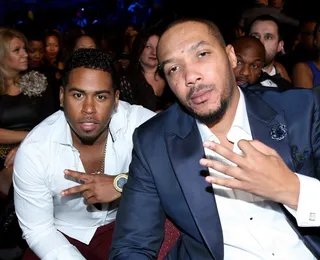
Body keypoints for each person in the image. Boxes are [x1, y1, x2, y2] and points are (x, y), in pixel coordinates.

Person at [109, 18, 320, 259]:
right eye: (173, 68)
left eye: (202, 54)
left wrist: (291, 189)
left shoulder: (302, 109)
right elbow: (132, 247)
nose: (191, 76)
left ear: (231, 57)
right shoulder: (154, 143)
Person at [13, 48, 155, 260]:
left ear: (116, 99)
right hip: (61, 235)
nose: (89, 108)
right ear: (62, 96)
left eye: (100, 96)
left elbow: (182, 167)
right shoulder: (35, 150)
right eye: (78, 95)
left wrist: (123, 183)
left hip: (127, 227)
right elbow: (39, 230)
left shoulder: (138, 124)